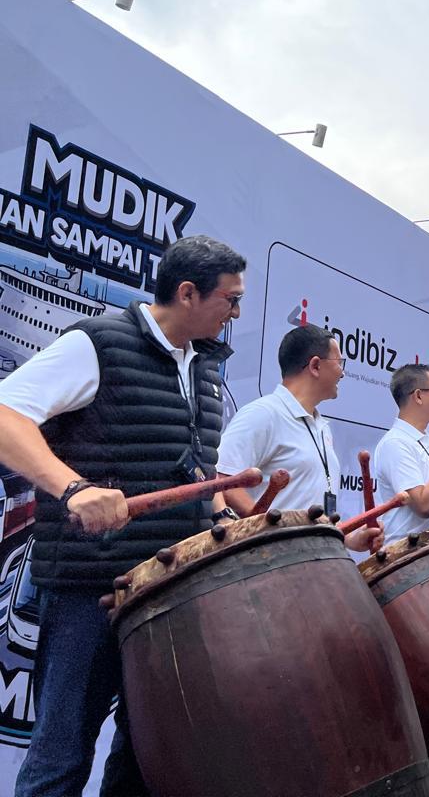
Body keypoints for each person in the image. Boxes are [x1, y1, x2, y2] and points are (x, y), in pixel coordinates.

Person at [0, 235, 246, 797]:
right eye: (229, 300)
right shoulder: (98, 345)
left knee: (143, 758)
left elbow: (190, 468)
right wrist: (73, 488)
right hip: (93, 591)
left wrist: (218, 516)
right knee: (62, 760)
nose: (235, 313)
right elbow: (5, 414)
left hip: (167, 591)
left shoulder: (204, 368)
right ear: (187, 293)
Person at [218, 324, 385, 551]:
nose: (343, 372)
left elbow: (311, 512)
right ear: (315, 366)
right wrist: (266, 527)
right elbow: (223, 481)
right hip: (275, 564)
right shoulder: (264, 414)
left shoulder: (322, 427)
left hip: (317, 563)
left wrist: (348, 538)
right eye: (339, 363)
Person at [371, 363, 429, 543]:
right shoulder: (396, 443)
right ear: (419, 396)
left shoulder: (425, 442)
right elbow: (423, 505)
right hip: (405, 557)